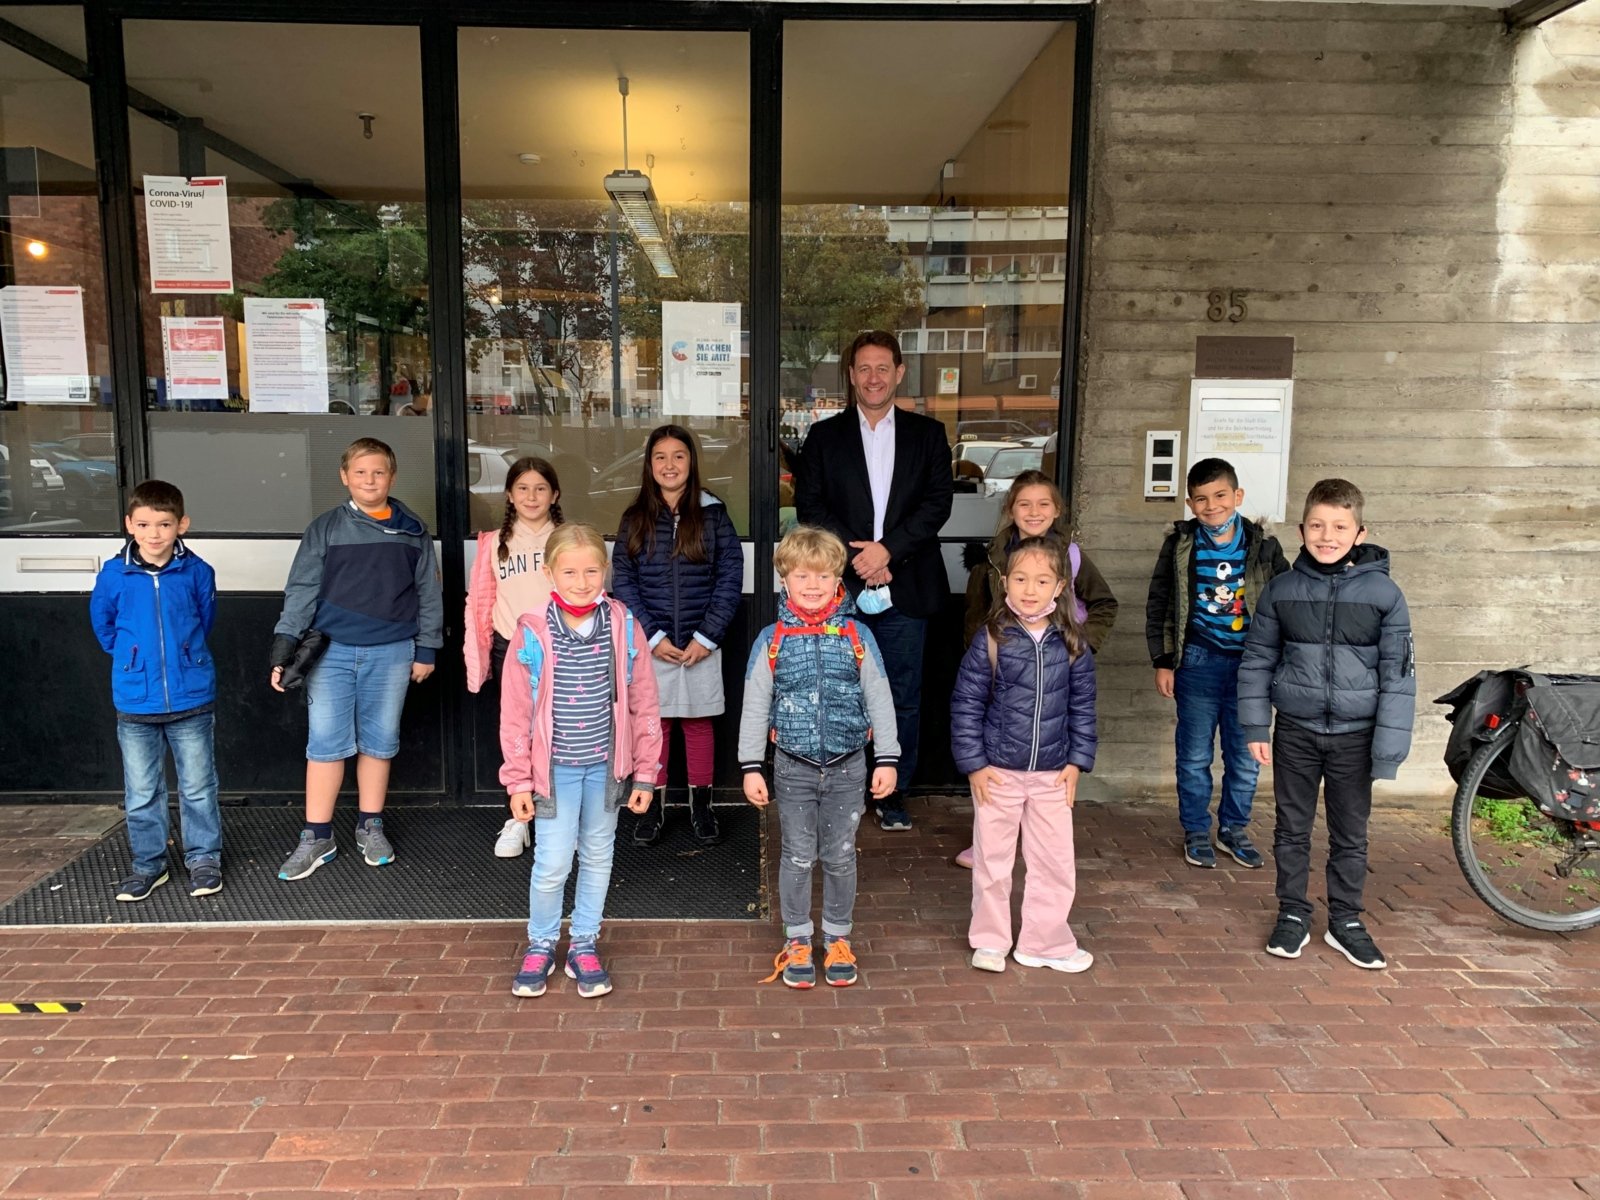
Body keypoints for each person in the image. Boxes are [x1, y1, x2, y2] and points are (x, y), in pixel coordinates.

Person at [1239, 479, 1415, 970]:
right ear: (1301, 530)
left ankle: (1346, 920)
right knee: (1291, 829)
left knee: (1350, 834)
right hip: (1295, 729)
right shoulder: (1282, 589)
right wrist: (1256, 726)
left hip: (1355, 738)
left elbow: (1398, 676)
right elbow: (1256, 660)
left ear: (1360, 532)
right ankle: (1293, 912)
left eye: (1339, 526)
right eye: (1317, 525)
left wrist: (1387, 749)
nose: (1327, 535)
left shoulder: (1385, 595)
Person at [794, 330, 953, 831]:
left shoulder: (928, 435)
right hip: (844, 586)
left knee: (902, 694)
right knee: (841, 692)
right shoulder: (824, 437)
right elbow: (811, 507)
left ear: (899, 373)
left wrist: (890, 552)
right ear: (851, 375)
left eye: (883, 367)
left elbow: (937, 505)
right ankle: (845, 789)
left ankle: (893, 792)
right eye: (864, 368)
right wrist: (859, 558)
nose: (874, 377)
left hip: (906, 582)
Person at [499, 523, 662, 999]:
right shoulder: (531, 631)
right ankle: (542, 941)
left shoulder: (623, 625)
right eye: (569, 571)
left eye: (592, 570)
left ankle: (584, 942)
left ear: (605, 571)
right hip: (552, 773)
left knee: (597, 854)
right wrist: (518, 781)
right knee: (551, 861)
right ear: (550, 572)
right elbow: (515, 713)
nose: (581, 580)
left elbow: (645, 704)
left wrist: (646, 775)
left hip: (607, 768)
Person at [269, 438, 443, 880]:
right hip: (332, 653)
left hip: (392, 652)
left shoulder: (412, 530)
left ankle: (371, 825)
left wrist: (427, 649)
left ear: (393, 477)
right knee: (325, 744)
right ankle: (317, 835)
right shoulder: (325, 529)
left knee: (380, 741)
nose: (370, 480)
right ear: (345, 477)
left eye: (379, 472)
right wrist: (283, 647)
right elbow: (301, 590)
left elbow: (429, 594)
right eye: (360, 472)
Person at [738, 527, 899, 989]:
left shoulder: (857, 635)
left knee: (841, 855)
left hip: (849, 765)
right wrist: (752, 765)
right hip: (792, 766)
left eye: (823, 576)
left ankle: (838, 937)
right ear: (784, 581)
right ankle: (797, 939)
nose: (812, 585)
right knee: (796, 856)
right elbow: (755, 705)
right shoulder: (772, 639)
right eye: (802, 575)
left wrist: (886, 758)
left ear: (838, 581)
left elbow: (880, 699)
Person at [954, 469, 1117, 869]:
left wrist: (1078, 647)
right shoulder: (994, 555)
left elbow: (1104, 605)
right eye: (1024, 503)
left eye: (1044, 503)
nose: (1034, 511)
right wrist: (980, 655)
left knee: (1044, 751)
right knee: (997, 749)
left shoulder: (1071, 556)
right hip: (1003, 665)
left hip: (1052, 666)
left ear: (1057, 510)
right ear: (1011, 509)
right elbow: (976, 610)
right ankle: (992, 839)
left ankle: (1039, 838)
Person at [951, 537, 1098, 974]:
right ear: (1004, 583)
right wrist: (974, 764)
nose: (1029, 589)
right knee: (993, 863)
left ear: (1059, 587)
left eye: (1041, 580)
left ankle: (1044, 942)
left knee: (1054, 862)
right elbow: (966, 704)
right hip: (998, 772)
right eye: (1020, 579)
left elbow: (1083, 708)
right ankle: (991, 941)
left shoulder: (1072, 643)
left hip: (1053, 775)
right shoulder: (992, 639)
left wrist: (1077, 762)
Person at [1145, 457, 1289, 871]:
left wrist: (1280, 662)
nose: (1212, 506)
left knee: (1244, 758)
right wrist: (1163, 659)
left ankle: (1233, 830)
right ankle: (1195, 830)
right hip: (1197, 662)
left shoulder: (1264, 546)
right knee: (1193, 756)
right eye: (1201, 499)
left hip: (1252, 669)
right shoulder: (1180, 545)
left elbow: (1287, 606)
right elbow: (1161, 602)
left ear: (1237, 496)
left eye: (1220, 496)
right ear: (1190, 503)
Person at [89, 480, 222, 901]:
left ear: (182, 524)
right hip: (135, 701)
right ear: (130, 524)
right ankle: (149, 864)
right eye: (144, 524)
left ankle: (204, 858)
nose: (154, 533)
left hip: (191, 698)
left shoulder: (198, 572)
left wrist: (184, 656)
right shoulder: (114, 574)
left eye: (164, 524)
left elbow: (205, 618)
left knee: (199, 786)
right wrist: (132, 659)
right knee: (143, 791)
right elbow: (104, 626)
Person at [612, 425, 742, 848]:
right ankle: (653, 805)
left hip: (701, 643)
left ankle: (701, 806)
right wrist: (651, 636)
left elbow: (729, 577)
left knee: (699, 723)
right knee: (657, 726)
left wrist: (708, 635)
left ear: (692, 462)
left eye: (679, 456)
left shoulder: (714, 514)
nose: (670, 465)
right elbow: (625, 583)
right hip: (654, 647)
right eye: (661, 457)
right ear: (649, 466)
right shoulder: (634, 517)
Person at [465, 456, 564, 858]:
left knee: (559, 736)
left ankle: (556, 816)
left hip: (560, 649)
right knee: (518, 735)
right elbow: (481, 601)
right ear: (509, 494)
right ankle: (519, 818)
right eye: (522, 488)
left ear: (555, 494)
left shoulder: (566, 537)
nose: (532, 496)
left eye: (541, 488)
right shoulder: (493, 542)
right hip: (513, 648)